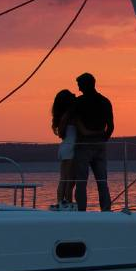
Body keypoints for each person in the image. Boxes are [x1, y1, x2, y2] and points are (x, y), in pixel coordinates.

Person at [72, 73, 114, 211]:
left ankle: (81, 212)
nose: (78, 88)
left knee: (81, 182)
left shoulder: (78, 103)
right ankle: (106, 210)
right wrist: (103, 140)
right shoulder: (105, 101)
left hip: (83, 145)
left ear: (85, 85)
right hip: (100, 145)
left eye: (79, 85)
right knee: (102, 182)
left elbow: (73, 122)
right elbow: (111, 126)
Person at [50, 90, 77, 211]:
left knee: (64, 179)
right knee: (70, 180)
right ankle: (67, 203)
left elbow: (61, 133)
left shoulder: (61, 116)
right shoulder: (69, 115)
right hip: (70, 148)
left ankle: (61, 202)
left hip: (64, 146)